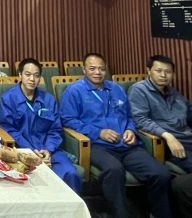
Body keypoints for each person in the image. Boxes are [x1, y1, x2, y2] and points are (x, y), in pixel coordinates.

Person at [60, 52, 172, 218]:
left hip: (126, 145)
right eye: (92, 68)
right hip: (97, 145)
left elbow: (129, 117)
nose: (97, 72)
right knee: (114, 170)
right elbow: (68, 120)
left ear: (106, 69)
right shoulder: (74, 91)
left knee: (161, 174)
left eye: (101, 68)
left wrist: (130, 130)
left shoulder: (116, 89)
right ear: (84, 69)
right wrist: (98, 132)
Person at [0, 58, 81, 193]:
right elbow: (9, 130)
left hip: (50, 150)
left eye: (36, 75)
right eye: (28, 74)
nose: (32, 79)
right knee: (33, 182)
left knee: (70, 173)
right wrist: (31, 152)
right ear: (20, 75)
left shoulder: (48, 99)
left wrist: (48, 150)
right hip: (22, 151)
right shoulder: (8, 98)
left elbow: (55, 129)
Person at [129, 54, 192, 173]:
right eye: (159, 71)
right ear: (149, 71)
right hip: (168, 143)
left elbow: (189, 112)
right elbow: (140, 119)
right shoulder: (139, 89)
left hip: (187, 137)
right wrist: (167, 136)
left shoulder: (172, 91)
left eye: (168, 72)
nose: (163, 75)